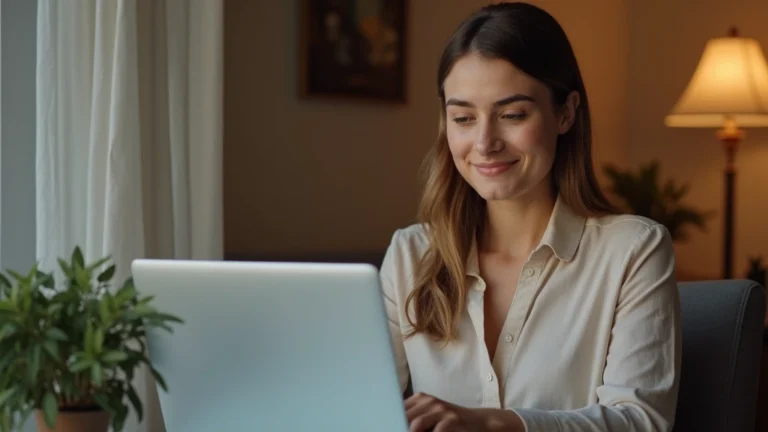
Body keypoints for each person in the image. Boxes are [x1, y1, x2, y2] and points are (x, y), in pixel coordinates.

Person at [379, 2, 682, 431]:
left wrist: (494, 424)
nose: (484, 142)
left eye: (512, 115)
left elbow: (640, 421)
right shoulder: (410, 255)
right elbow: (358, 404)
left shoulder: (634, 251)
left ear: (566, 112)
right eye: (463, 117)